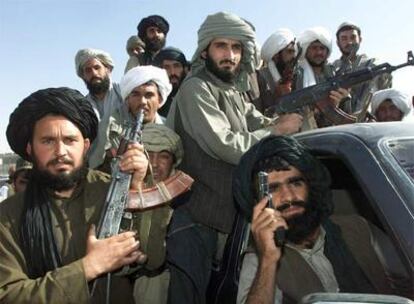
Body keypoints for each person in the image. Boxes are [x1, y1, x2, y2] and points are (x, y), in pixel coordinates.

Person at [165, 12, 303, 304]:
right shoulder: (196, 88)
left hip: (228, 219)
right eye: (222, 46)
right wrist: (276, 131)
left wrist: (285, 119)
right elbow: (225, 144)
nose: (230, 55)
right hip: (196, 220)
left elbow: (260, 122)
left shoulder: (234, 91)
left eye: (237, 48)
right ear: (205, 50)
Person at [0, 87, 148, 303]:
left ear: (86, 146)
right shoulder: (7, 217)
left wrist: (137, 189)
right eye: (48, 141)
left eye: (70, 140)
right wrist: (88, 267)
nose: (60, 151)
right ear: (30, 149)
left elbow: (155, 258)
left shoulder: (112, 190)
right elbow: (9, 295)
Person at [233, 135, 409, 304]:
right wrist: (268, 261)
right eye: (274, 188)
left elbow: (407, 274)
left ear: (311, 186)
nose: (288, 197)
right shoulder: (259, 258)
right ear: (260, 204)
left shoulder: (358, 228)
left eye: (295, 183)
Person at [133, 123, 184, 304]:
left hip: (166, 279)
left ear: (173, 161)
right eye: (148, 155)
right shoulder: (127, 189)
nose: (154, 163)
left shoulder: (185, 197)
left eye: (163, 156)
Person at [75, 48, 128, 169]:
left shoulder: (125, 93)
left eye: (97, 67)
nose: (93, 73)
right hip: (96, 167)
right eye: (88, 71)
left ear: (108, 69)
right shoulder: (82, 106)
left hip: (129, 159)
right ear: (83, 76)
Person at [296, 26, 350, 130]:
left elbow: (346, 113)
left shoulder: (334, 74)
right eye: (314, 48)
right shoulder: (297, 75)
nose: (319, 52)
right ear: (306, 50)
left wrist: (338, 102)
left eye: (322, 48)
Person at [333, 22, 392, 114]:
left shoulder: (374, 66)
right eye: (344, 38)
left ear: (360, 39)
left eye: (353, 37)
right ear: (338, 43)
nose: (349, 42)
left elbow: (385, 99)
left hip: (368, 123)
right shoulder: (332, 69)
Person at [258, 29, 298, 107]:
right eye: (289, 52)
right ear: (276, 55)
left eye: (294, 52)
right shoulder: (260, 77)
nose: (293, 56)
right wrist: (277, 97)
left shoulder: (295, 75)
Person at [154, 47, 190, 117]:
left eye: (176, 66)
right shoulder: (155, 98)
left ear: (184, 69)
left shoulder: (193, 93)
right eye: (167, 67)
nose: (172, 72)